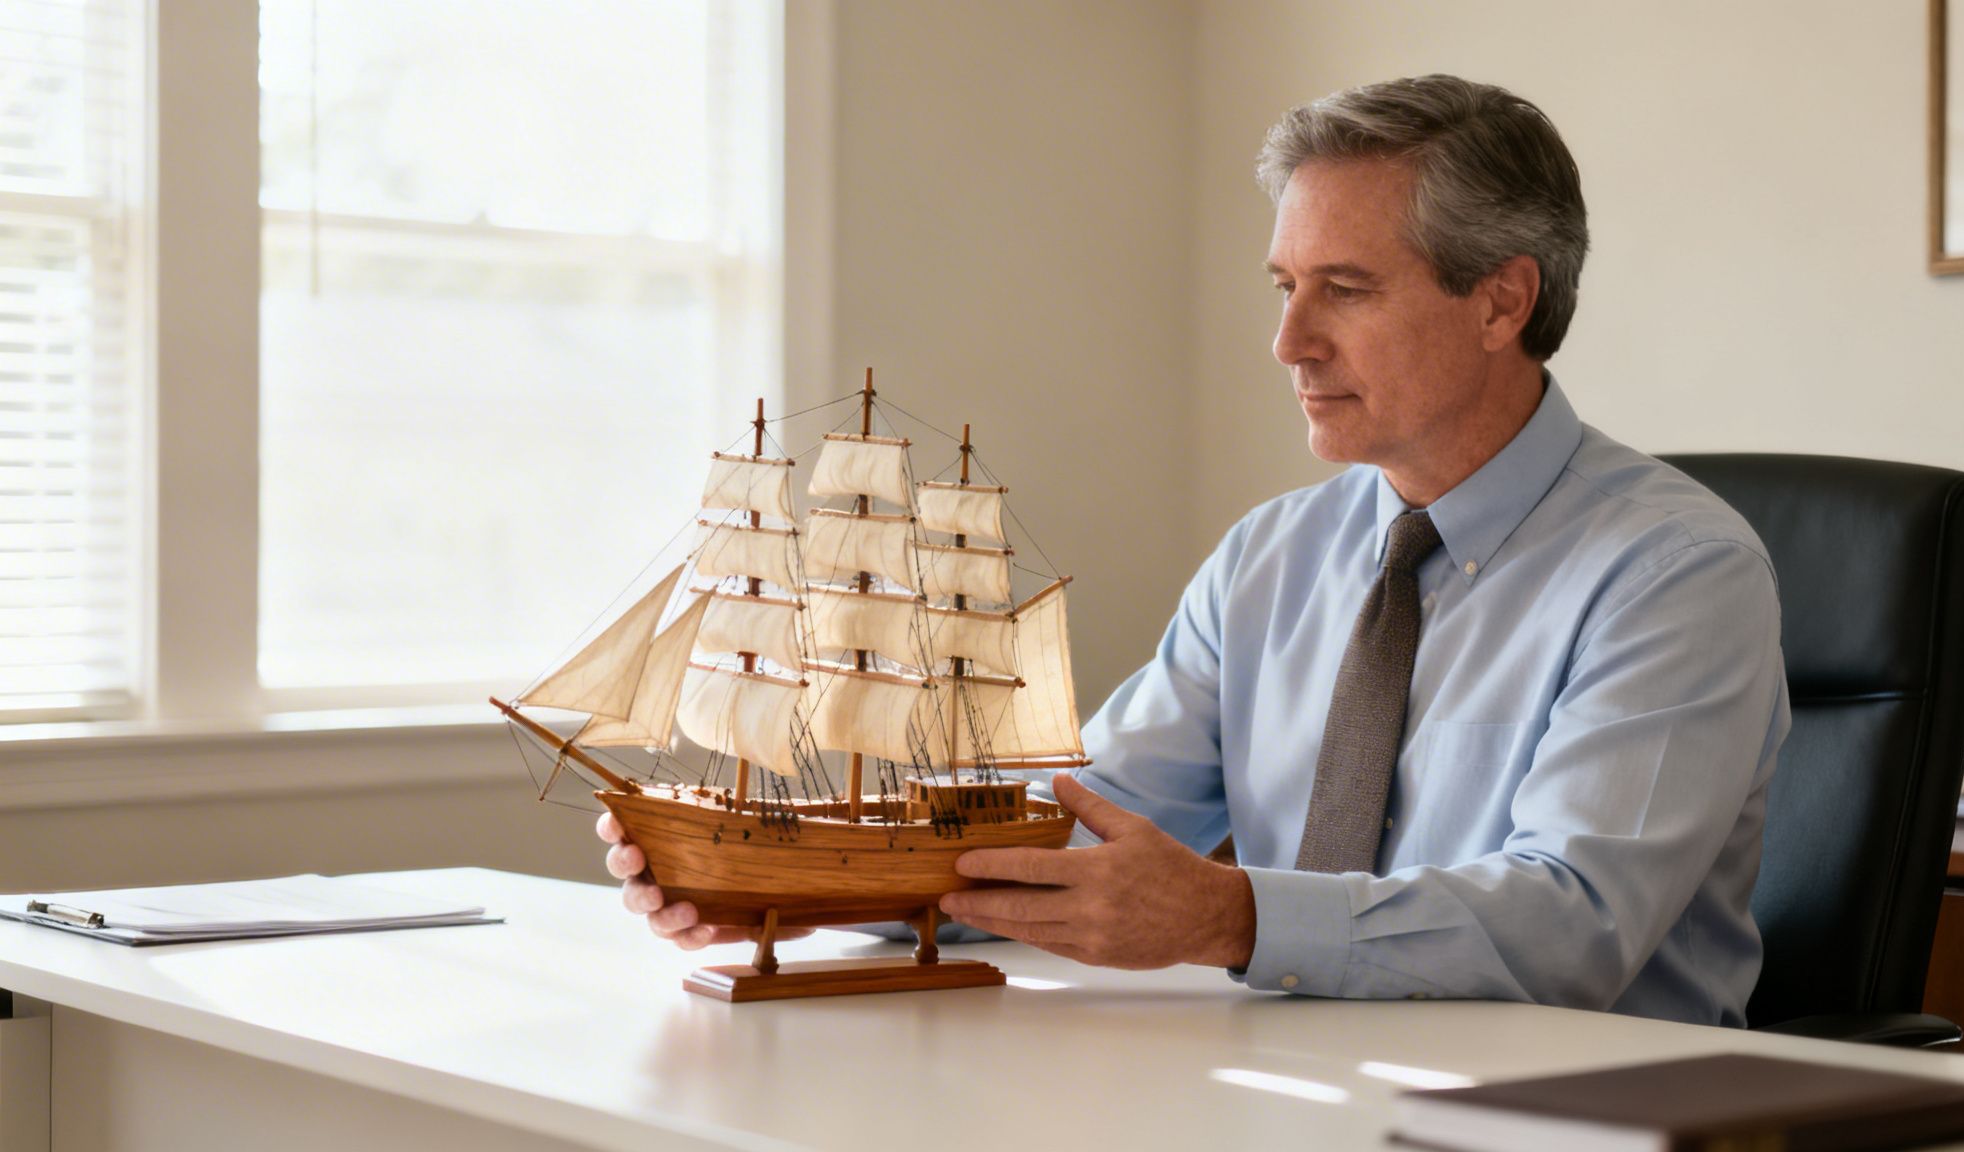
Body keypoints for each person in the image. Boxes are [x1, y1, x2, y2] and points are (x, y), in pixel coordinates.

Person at [601, 74, 1790, 1027]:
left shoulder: (1674, 572)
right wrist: (804, 897)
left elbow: (1572, 923)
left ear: (1500, 301)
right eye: (1281, 284)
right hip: (1287, 1087)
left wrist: (1230, 920)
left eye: (1343, 289)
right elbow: (1080, 818)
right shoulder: (1268, 556)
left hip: (1588, 1110)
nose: (1286, 341)